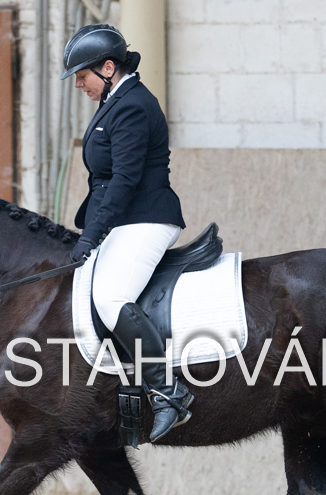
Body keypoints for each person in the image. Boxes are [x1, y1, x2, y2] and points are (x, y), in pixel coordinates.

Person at [61, 24, 192, 442]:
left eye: (82, 76)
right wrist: (90, 231)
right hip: (126, 219)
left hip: (147, 217)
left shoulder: (133, 105)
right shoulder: (115, 100)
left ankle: (169, 392)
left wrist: (91, 237)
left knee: (111, 297)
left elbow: (124, 180)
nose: (78, 85)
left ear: (108, 68)